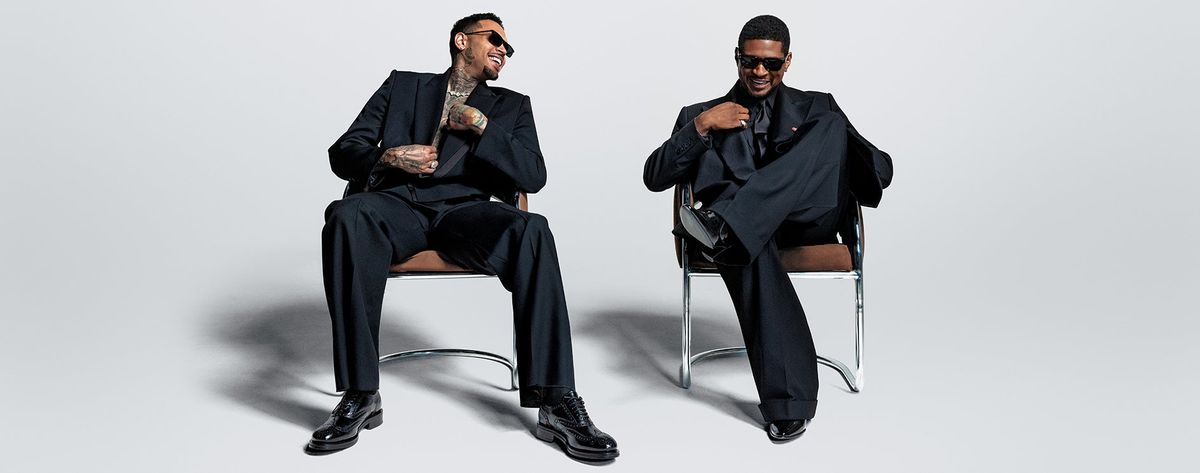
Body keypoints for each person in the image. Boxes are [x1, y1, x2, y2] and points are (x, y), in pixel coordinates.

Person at [310, 13, 618, 461]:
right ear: (461, 41)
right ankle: (361, 393)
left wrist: (484, 127)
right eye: (495, 39)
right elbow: (343, 152)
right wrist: (389, 156)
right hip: (396, 207)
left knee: (533, 229)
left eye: (508, 48)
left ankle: (556, 400)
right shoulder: (403, 86)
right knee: (346, 215)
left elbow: (533, 175)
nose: (503, 51)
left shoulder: (512, 106)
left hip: (465, 213)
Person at [643, 14, 893, 442]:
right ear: (737, 58)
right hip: (743, 240)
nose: (760, 71)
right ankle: (787, 405)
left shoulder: (818, 109)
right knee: (745, 243)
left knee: (830, 127)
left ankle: (728, 222)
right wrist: (702, 127)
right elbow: (654, 176)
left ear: (787, 61)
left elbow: (880, 172)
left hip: (805, 221)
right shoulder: (699, 114)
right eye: (750, 61)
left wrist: (829, 146)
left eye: (771, 63)